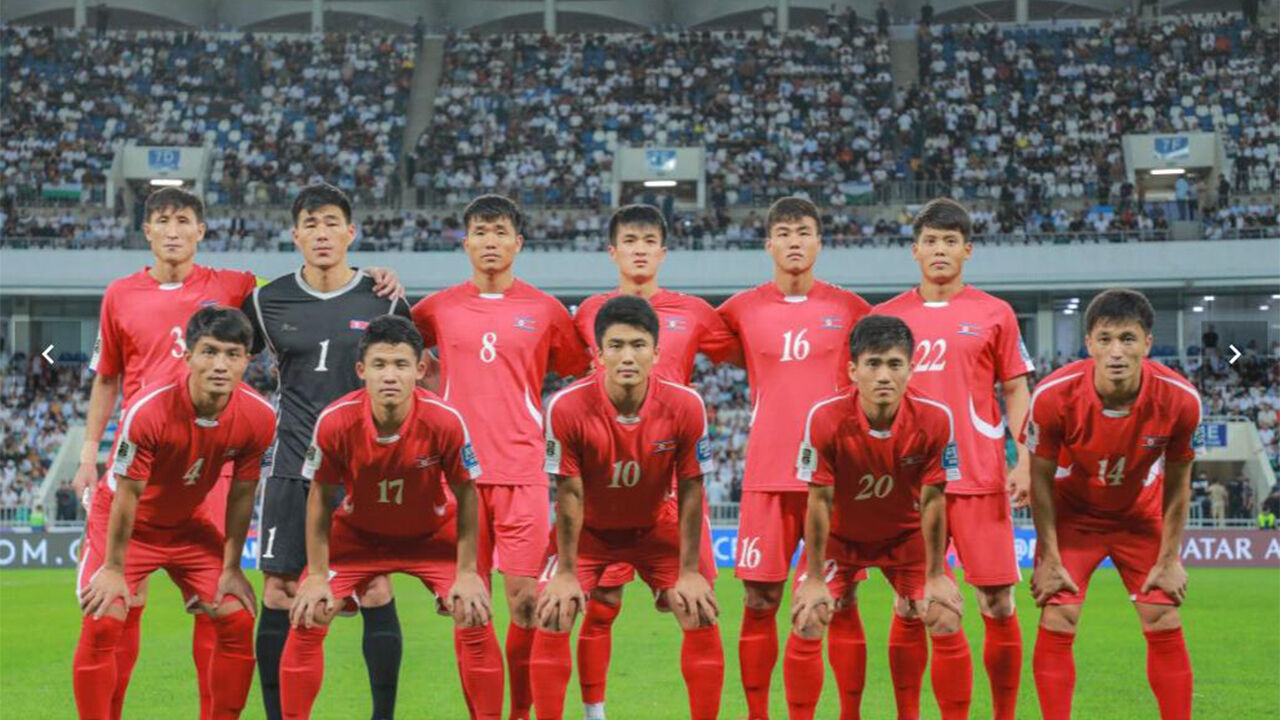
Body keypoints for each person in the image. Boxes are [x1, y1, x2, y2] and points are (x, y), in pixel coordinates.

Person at [411, 195, 591, 720]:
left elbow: (575, 369)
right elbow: (399, 350)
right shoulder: (436, 309)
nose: (490, 241)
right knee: (468, 609)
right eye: (480, 232)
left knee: (528, 604)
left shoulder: (545, 310)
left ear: (519, 242)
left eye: (500, 232)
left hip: (523, 472)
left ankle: (521, 713)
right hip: (456, 476)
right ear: (465, 242)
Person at [243, 183, 411, 720]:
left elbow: (406, 376)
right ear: (295, 236)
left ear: (350, 233)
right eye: (310, 224)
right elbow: (220, 354)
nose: (322, 233)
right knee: (279, 591)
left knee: (376, 587)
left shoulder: (384, 296)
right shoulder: (265, 302)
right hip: (292, 466)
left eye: (331, 222)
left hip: (364, 469)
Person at [278, 316, 502, 719]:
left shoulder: (445, 420)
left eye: (401, 365)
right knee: (307, 614)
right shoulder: (335, 420)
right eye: (379, 365)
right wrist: (316, 573)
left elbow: (469, 495)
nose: (390, 376)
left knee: (475, 613)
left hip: (433, 538)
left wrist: (469, 571)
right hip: (357, 539)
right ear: (361, 370)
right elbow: (319, 497)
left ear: (420, 369)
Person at [565, 204, 738, 720]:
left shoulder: (695, 313)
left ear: (663, 252)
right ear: (612, 251)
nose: (639, 249)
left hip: (669, 480)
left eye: (649, 240)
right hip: (604, 486)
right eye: (629, 240)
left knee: (696, 605)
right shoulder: (586, 313)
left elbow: (754, 351)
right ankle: (595, 712)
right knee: (601, 606)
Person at [73, 306, 276, 720]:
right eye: (210, 352)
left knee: (236, 618)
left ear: (247, 361)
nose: (220, 365)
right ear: (188, 355)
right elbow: (128, 495)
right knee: (104, 619)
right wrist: (113, 567)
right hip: (126, 525)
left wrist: (232, 566)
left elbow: (242, 493)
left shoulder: (259, 417)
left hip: (188, 526)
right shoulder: (149, 410)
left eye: (233, 354)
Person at [875, 197, 1034, 719]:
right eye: (930, 241)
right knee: (915, 606)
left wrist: (1025, 458)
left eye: (950, 241)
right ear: (914, 250)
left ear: (967, 250)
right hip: (907, 489)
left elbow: (1015, 389)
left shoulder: (995, 314)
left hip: (980, 478)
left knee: (998, 603)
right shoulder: (886, 317)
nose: (939, 250)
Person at [531, 296, 723, 720]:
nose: (627, 356)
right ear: (598, 354)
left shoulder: (686, 405)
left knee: (700, 609)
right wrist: (564, 574)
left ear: (657, 352)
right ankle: (590, 713)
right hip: (589, 535)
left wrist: (690, 571)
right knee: (552, 611)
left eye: (638, 345)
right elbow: (569, 494)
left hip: (656, 527)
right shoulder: (566, 406)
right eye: (615, 345)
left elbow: (692, 489)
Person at [717, 196, 871, 720]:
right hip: (766, 476)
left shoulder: (851, 309)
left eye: (804, 232)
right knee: (760, 603)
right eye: (783, 232)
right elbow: (694, 344)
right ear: (769, 245)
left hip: (835, 480)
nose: (794, 241)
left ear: (819, 242)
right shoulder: (741, 308)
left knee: (840, 601)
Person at [1026, 288, 1201, 720]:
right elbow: (1039, 480)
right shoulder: (1053, 396)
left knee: (1162, 617)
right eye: (1105, 339)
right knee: (1058, 617)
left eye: (1127, 338)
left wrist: (1170, 557)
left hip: (1139, 518)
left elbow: (1179, 484)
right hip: (1074, 517)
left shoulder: (1180, 400)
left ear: (1147, 342)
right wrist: (1047, 554)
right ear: (1089, 344)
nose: (1116, 351)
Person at [786, 315, 968, 720]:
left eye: (894, 364)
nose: (884, 375)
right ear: (853, 370)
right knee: (809, 616)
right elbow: (817, 500)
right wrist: (815, 579)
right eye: (873, 364)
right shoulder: (825, 418)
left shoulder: (936, 418)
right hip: (840, 538)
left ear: (911, 368)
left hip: (905, 539)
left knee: (944, 614)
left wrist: (937, 573)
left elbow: (936, 499)